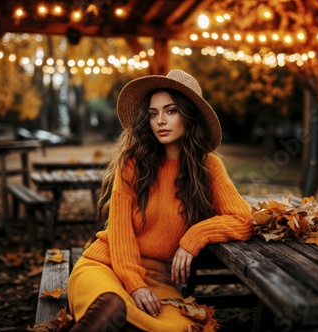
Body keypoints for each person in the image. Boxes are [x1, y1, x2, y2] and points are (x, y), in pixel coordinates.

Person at [67, 69, 253, 331]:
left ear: (190, 115)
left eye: (171, 111)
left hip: (159, 281)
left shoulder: (209, 167)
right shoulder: (133, 164)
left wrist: (193, 238)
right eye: (153, 113)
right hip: (106, 265)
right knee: (111, 308)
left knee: (183, 329)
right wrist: (134, 284)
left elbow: (242, 220)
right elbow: (119, 232)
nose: (160, 121)